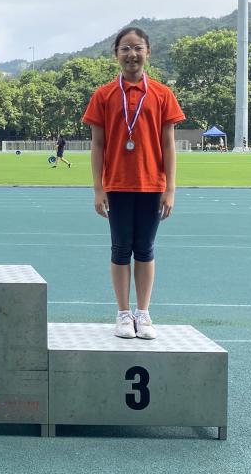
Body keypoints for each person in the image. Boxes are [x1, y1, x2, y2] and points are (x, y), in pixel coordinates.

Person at [82, 27, 185, 340]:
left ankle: (143, 311)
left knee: (145, 249)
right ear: (116, 54)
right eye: (125, 48)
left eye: (137, 48)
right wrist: (98, 188)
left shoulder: (163, 94)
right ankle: (123, 313)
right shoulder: (103, 95)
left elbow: (169, 146)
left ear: (148, 52)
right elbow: (97, 145)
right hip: (117, 185)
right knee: (120, 248)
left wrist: (170, 188)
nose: (132, 54)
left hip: (152, 185)